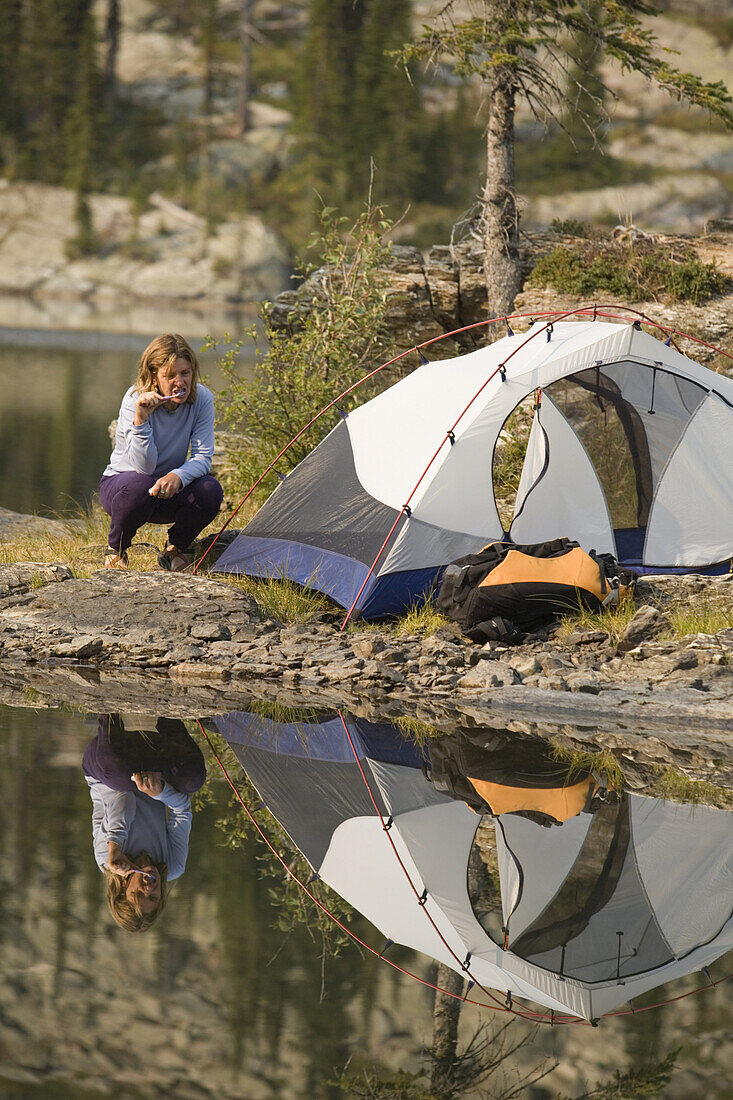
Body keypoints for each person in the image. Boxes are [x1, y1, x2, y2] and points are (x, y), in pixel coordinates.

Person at [100, 333, 223, 571]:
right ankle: (116, 548)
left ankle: (174, 549)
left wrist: (177, 476)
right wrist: (141, 420)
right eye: (170, 376)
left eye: (185, 373)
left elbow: (202, 457)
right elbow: (143, 468)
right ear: (154, 377)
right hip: (124, 490)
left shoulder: (203, 399)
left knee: (210, 489)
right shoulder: (134, 400)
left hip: (169, 490)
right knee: (139, 484)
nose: (180, 382)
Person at [83, 713, 206, 932]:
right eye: (154, 897)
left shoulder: (106, 857)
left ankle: (109, 710)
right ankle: (169, 713)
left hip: (107, 768)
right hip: (150, 767)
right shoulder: (173, 866)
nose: (150, 888)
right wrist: (161, 793)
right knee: (192, 779)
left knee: (121, 779)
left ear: (122, 886)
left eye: (139, 894)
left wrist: (116, 845)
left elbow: (123, 798)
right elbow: (182, 810)